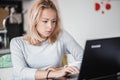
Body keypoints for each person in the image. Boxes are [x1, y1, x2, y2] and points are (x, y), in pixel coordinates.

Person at [10, 0, 83, 80]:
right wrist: (53, 73)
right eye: (45, 21)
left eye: (53, 21)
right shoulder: (17, 43)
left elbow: (84, 59)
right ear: (34, 21)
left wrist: (61, 70)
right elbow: (20, 72)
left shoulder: (61, 35)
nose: (50, 26)